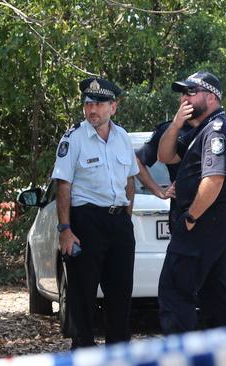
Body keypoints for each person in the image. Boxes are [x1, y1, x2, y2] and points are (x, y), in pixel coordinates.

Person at [51, 77, 139, 349]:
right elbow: (63, 185)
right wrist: (65, 230)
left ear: (114, 106)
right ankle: (84, 355)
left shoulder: (123, 137)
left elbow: (130, 180)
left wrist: (126, 217)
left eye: (99, 104)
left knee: (120, 297)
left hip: (118, 223)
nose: (92, 110)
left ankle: (118, 354)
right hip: (86, 222)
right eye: (88, 104)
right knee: (82, 299)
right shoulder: (73, 139)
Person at [156, 71, 226, 333]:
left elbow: (214, 180)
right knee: (218, 296)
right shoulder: (202, 130)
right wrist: (174, 125)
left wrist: (191, 217)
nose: (184, 98)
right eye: (183, 94)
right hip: (215, 225)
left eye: (190, 92)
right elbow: (165, 155)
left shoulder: (216, 130)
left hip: (204, 224)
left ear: (211, 97)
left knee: (174, 293)